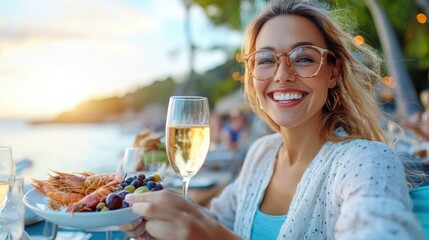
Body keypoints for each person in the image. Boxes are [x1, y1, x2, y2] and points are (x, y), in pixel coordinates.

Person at [120, 0, 423, 239]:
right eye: (265, 60)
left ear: (333, 72)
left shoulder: (366, 161)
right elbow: (218, 220)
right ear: (252, 77)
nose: (282, 75)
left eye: (303, 57)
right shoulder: (262, 154)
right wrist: (158, 217)